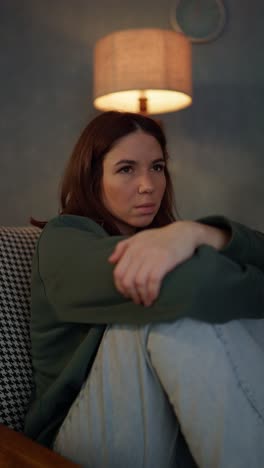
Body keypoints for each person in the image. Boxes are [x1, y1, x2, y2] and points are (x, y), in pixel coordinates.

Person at [24, 111, 264, 468]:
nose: (148, 184)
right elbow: (187, 288)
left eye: (156, 167)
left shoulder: (169, 240)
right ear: (92, 178)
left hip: (165, 421)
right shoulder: (64, 240)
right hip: (73, 438)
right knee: (166, 314)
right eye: (126, 169)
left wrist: (199, 232)